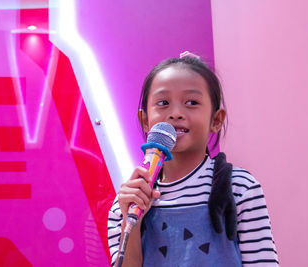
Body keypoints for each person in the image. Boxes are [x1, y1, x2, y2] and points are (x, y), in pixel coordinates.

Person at [107, 52, 279, 266]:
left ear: (216, 120)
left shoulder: (240, 187)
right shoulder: (128, 201)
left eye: (191, 102)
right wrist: (131, 218)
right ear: (145, 120)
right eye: (163, 102)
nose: (176, 113)